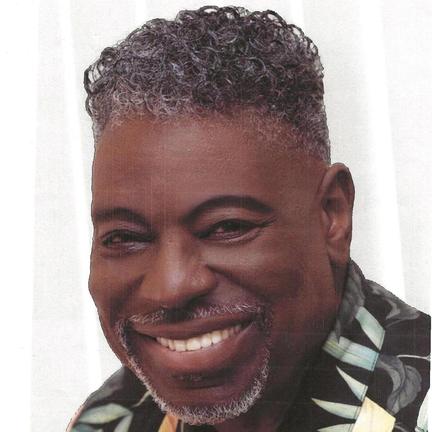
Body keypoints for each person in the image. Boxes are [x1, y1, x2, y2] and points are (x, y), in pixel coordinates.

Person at [68, 6, 429, 432]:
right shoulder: (110, 419)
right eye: (125, 237)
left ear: (332, 214)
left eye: (226, 228)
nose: (171, 288)